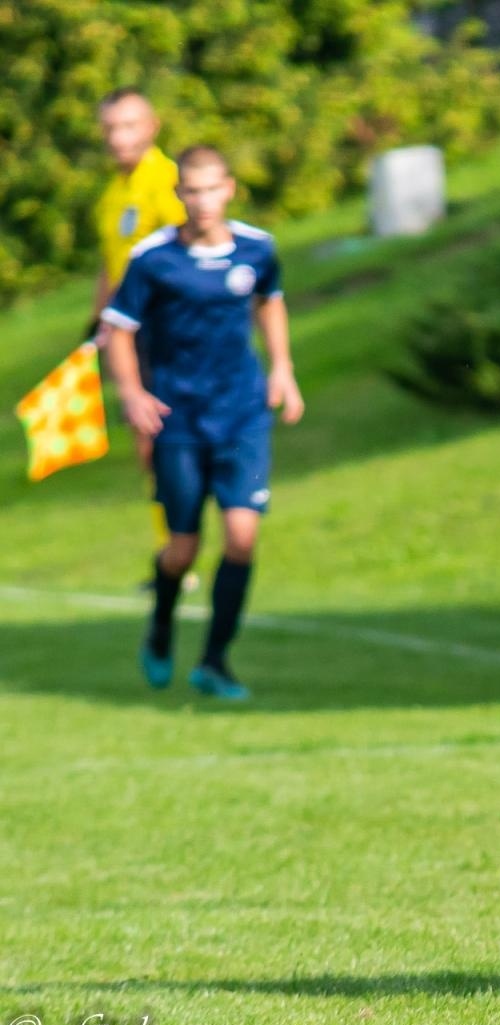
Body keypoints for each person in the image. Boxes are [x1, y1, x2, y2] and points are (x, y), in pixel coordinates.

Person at [101, 145, 306, 700]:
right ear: (179, 195)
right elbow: (116, 327)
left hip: (240, 412)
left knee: (242, 537)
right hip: (179, 417)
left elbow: (271, 301)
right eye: (192, 190)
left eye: (212, 188)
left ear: (230, 189)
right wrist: (132, 392)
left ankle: (215, 661)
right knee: (183, 549)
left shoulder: (257, 249)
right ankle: (162, 623)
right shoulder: (153, 259)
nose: (203, 200)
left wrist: (282, 368)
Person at [91, 88, 187, 472]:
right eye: (110, 129)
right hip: (128, 334)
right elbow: (109, 263)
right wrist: (100, 324)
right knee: (146, 439)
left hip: (167, 328)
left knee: (178, 439)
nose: (118, 138)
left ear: (152, 126)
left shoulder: (168, 181)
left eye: (129, 126)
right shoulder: (111, 194)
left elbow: (188, 255)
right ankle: (170, 529)